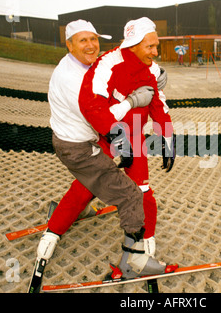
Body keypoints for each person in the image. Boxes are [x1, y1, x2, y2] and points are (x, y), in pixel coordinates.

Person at [37, 19, 168, 278]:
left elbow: (123, 65)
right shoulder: (74, 81)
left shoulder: (87, 64)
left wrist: (154, 72)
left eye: (94, 39)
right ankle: (134, 258)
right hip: (90, 142)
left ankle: (70, 217)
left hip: (98, 137)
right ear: (69, 45)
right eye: (83, 40)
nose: (91, 46)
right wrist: (134, 99)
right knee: (124, 191)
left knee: (111, 185)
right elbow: (103, 115)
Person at [79, 17, 176, 278]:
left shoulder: (151, 68)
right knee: (88, 184)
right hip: (109, 133)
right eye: (151, 46)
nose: (156, 52)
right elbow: (90, 105)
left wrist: (166, 136)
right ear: (134, 44)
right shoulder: (109, 63)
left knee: (143, 191)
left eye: (157, 46)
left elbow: (158, 104)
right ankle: (57, 226)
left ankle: (145, 246)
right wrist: (115, 136)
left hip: (134, 134)